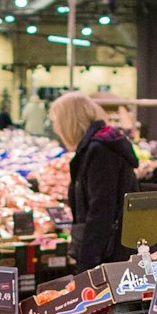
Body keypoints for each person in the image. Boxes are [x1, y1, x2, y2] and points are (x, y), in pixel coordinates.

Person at [51, 91, 138, 274]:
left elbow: (101, 209)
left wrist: (87, 261)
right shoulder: (104, 144)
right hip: (118, 247)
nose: (56, 128)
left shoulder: (99, 151)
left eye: (56, 122)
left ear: (69, 122)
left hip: (108, 254)